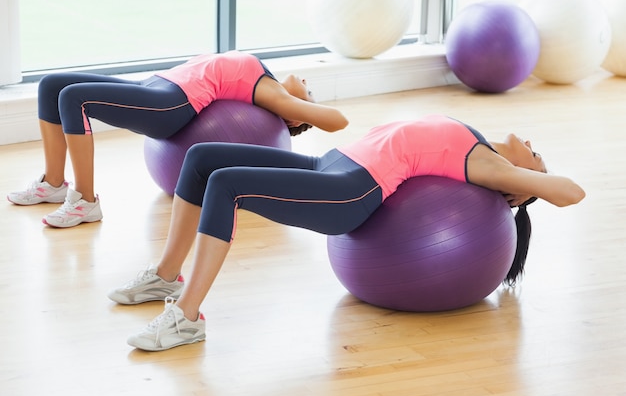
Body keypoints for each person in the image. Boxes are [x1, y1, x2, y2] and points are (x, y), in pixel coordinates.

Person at [107, 114, 585, 351]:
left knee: (226, 184)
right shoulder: (476, 140)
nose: (535, 149)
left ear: (520, 189)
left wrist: (527, 185)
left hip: (348, 190)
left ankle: (187, 318)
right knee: (202, 157)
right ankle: (166, 276)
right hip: (331, 162)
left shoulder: (490, 166)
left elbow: (571, 192)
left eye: (538, 157)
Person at [6, 50, 349, 228]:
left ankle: (85, 201)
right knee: (52, 84)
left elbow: (339, 121)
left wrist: (303, 107)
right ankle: (53, 183)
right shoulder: (267, 76)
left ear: (295, 115)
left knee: (73, 98)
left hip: (172, 104)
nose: (305, 79)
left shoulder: (276, 95)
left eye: (309, 89)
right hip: (154, 84)